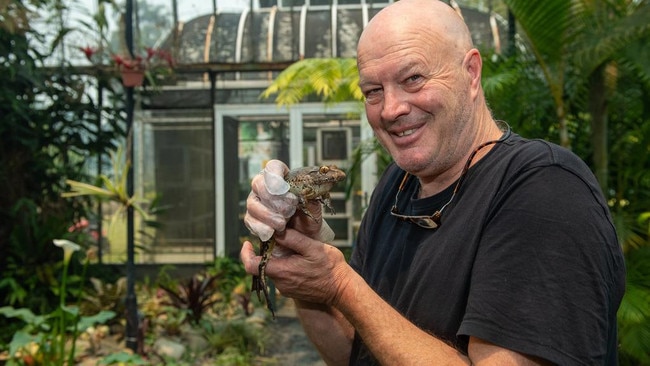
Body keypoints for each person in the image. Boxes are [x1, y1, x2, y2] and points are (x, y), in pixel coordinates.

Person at [241, 0, 626, 364]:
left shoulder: (545, 191)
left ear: (471, 73)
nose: (391, 109)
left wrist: (342, 285)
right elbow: (356, 355)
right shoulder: (397, 186)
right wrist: (304, 268)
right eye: (373, 91)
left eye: (413, 78)